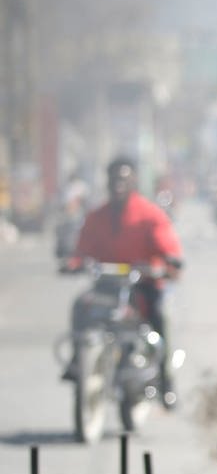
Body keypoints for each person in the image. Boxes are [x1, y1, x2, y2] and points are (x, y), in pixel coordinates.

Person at [65, 156, 184, 406]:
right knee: (80, 306)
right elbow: (82, 250)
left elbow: (169, 248)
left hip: (143, 285)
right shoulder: (97, 217)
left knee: (160, 317)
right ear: (107, 182)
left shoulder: (150, 215)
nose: (118, 184)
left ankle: (165, 381)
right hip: (107, 285)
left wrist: (167, 264)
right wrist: (74, 263)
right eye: (114, 178)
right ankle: (78, 362)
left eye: (124, 178)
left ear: (134, 181)